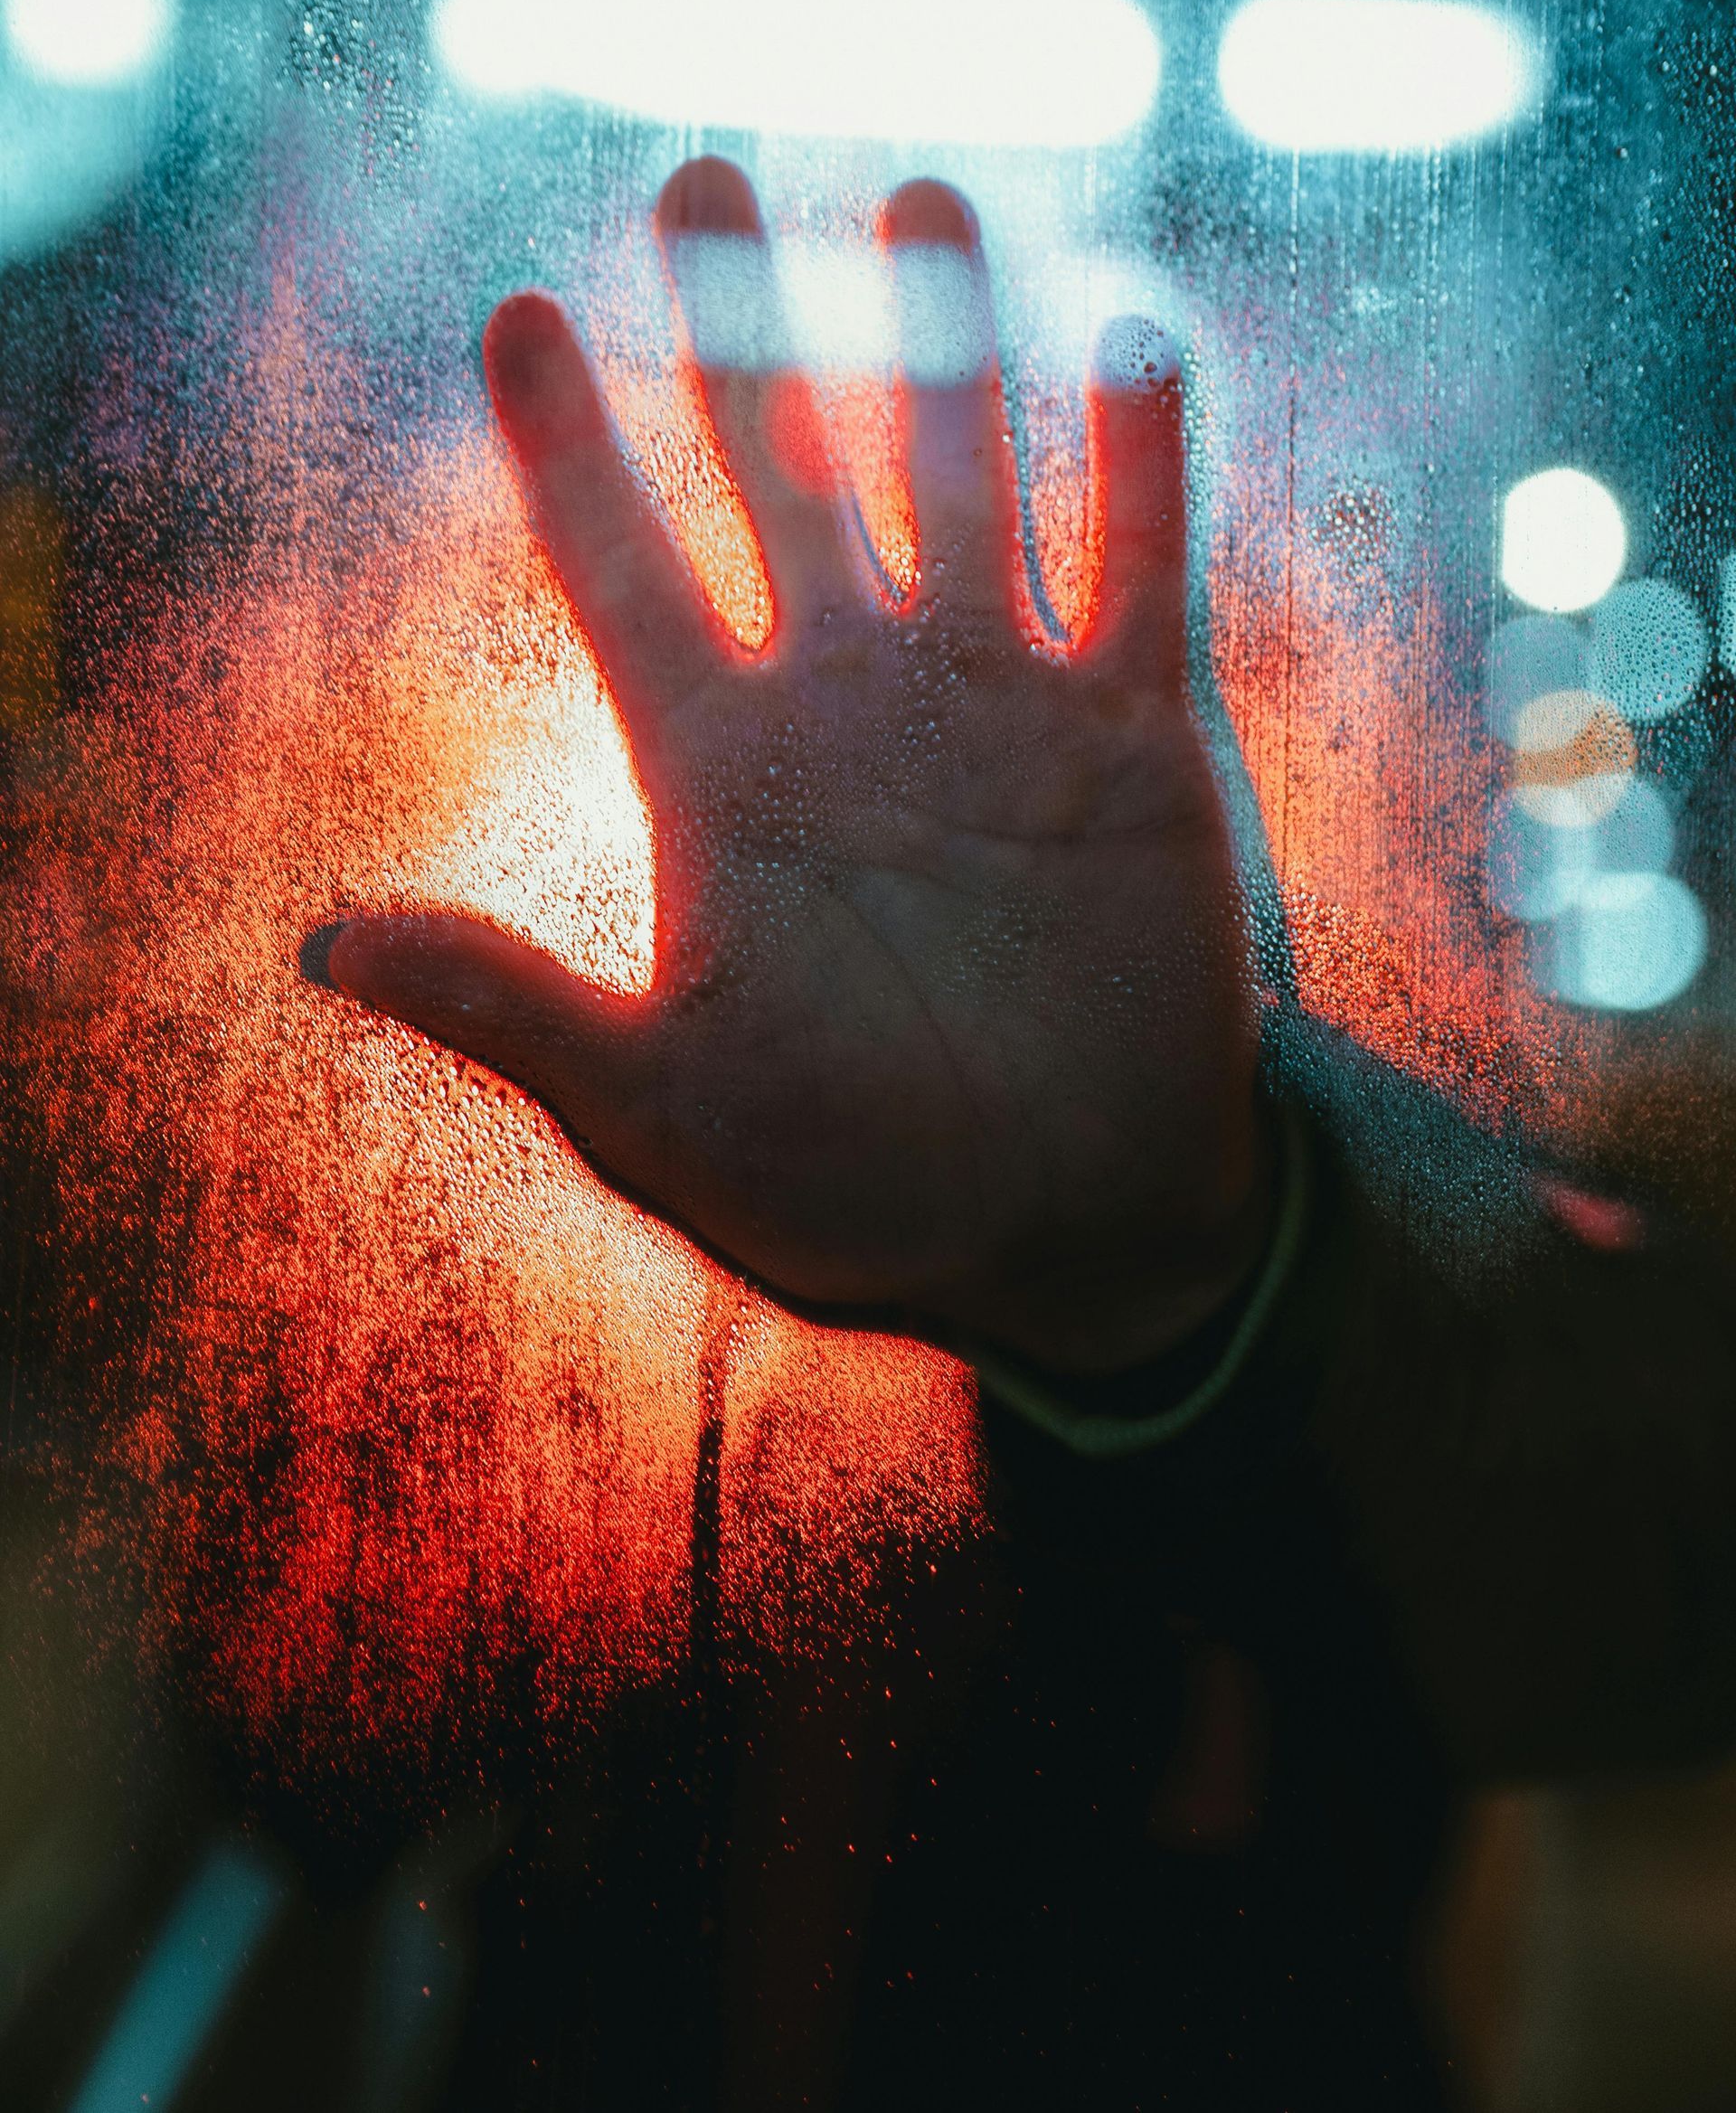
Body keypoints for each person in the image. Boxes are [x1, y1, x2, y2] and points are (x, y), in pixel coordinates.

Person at [324, 156, 1736, 2109]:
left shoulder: (1405, 1176)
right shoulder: (593, 1225)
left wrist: (1172, 1275)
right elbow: (298, 1788)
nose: (946, 699)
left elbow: (1617, 1566)